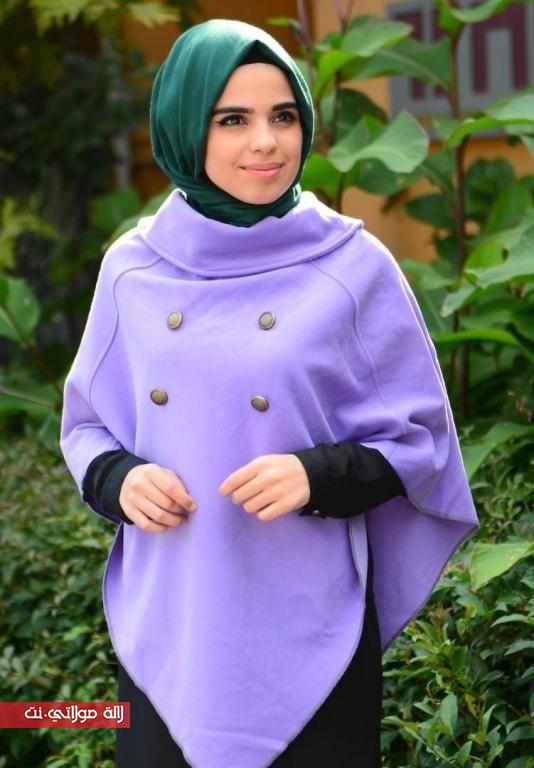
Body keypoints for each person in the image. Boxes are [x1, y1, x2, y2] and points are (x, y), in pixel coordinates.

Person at [59, 18, 479, 768]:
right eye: (233, 120)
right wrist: (120, 480)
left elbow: (420, 441)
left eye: (284, 116)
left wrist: (318, 474)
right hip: (174, 623)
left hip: (311, 624)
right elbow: (87, 425)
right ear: (186, 127)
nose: (267, 142)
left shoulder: (353, 265)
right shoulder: (132, 268)